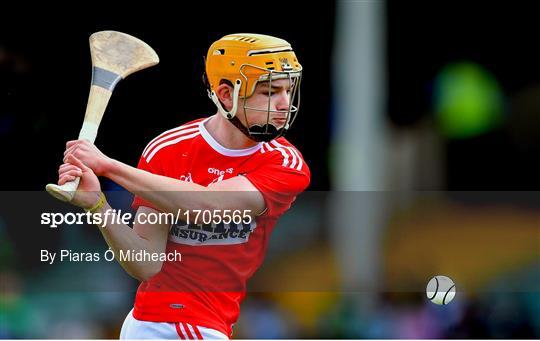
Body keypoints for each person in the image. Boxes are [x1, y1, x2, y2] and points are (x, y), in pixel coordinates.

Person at [57, 33, 310, 339]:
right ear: (227, 94)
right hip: (163, 324)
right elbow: (145, 264)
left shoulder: (285, 164)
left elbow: (204, 206)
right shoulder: (167, 150)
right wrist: (97, 205)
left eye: (288, 90)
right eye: (270, 91)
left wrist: (108, 166)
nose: (284, 103)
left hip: (205, 326)